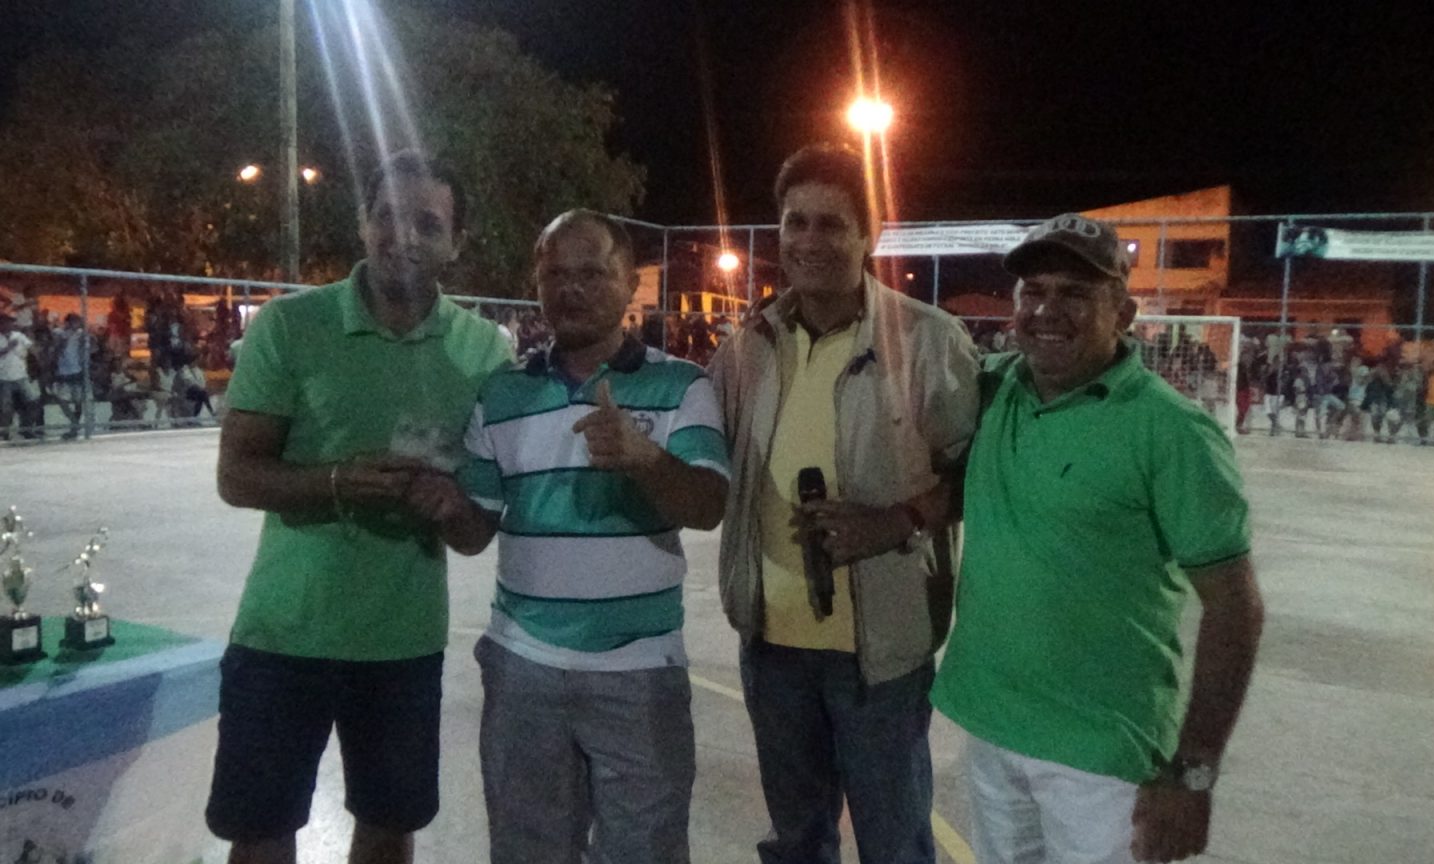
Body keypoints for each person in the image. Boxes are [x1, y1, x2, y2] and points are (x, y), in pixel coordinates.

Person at [204, 150, 510, 864]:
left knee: (388, 828)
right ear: (363, 224)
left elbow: (474, 535)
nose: (404, 237)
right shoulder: (291, 326)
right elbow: (236, 476)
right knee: (260, 833)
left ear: (456, 243)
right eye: (388, 217)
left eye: (428, 224)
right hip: (283, 635)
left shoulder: (485, 353)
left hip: (402, 645)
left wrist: (449, 506)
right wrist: (339, 480)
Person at [931, 213, 1265, 864]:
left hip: (1103, 757)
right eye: (1033, 291)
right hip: (993, 730)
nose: (1047, 310)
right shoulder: (994, 390)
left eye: (1076, 293)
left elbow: (1235, 606)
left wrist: (1195, 771)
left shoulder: (1172, 431)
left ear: (1125, 312)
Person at [423, 210, 730, 864]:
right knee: (527, 851)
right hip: (522, 664)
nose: (571, 288)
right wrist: (448, 507)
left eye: (592, 273)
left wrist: (646, 459)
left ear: (630, 282)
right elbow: (476, 532)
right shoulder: (501, 394)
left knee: (645, 853)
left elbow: (708, 507)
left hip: (639, 667)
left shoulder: (681, 385)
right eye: (555, 274)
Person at [709, 143, 980, 864]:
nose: (809, 241)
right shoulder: (748, 347)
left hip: (879, 659)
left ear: (871, 234)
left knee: (894, 846)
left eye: (831, 224)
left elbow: (979, 474)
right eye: (794, 223)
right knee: (796, 843)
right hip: (771, 649)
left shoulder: (927, 341)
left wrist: (897, 520)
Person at [52, 313, 90, 439]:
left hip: (77, 369)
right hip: (63, 370)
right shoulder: (59, 333)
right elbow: (56, 349)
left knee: (77, 401)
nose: (76, 324)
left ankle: (74, 428)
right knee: (61, 399)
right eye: (74, 321)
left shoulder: (81, 334)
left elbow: (90, 347)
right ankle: (74, 422)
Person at [0, 312, 33, 441]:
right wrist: (8, 347)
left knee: (30, 402)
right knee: (6, 407)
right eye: (4, 322)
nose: (7, 324)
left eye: (9, 322)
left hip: (21, 375)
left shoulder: (18, 336)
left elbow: (30, 346)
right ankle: (5, 431)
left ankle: (26, 429)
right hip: (4, 377)